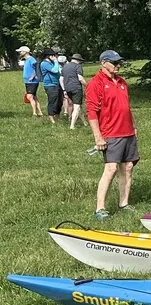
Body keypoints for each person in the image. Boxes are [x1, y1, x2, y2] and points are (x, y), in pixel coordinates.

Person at [87, 50, 138, 219]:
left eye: (119, 62)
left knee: (128, 167)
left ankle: (124, 204)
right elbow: (92, 112)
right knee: (111, 169)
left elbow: (126, 108)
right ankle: (100, 209)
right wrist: (98, 137)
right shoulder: (96, 83)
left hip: (127, 131)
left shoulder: (122, 82)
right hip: (110, 133)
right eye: (114, 62)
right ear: (103, 63)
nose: (118, 65)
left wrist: (134, 127)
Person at [62, 53, 87, 129]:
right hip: (76, 88)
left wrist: (64, 89)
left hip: (67, 88)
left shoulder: (65, 67)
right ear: (78, 60)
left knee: (78, 105)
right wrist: (87, 85)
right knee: (77, 107)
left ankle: (84, 122)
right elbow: (80, 78)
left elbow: (61, 79)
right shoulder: (77, 66)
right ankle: (72, 126)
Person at [40, 49, 63, 125]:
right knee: (53, 101)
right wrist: (56, 61)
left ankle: (57, 115)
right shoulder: (44, 63)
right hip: (50, 85)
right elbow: (55, 70)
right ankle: (51, 117)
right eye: (53, 55)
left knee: (60, 101)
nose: (55, 57)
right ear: (48, 56)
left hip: (57, 83)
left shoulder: (52, 63)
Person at [18, 46, 43, 117]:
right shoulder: (26, 60)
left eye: (21, 51)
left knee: (29, 96)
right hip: (28, 81)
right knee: (34, 97)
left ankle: (34, 113)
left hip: (32, 81)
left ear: (25, 52)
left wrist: (33, 76)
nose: (20, 53)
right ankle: (40, 112)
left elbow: (37, 68)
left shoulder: (31, 59)